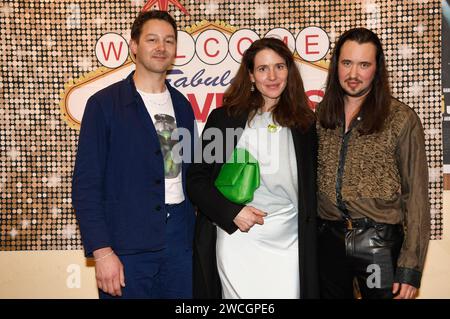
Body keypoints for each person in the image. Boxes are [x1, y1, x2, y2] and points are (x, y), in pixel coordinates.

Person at [72, 10, 196, 299]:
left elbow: (191, 172)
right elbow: (86, 184)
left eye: (168, 40)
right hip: (126, 246)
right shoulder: (104, 104)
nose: (161, 47)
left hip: (180, 242)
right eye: (152, 39)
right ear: (134, 46)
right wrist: (102, 253)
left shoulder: (183, 106)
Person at [187, 38, 319, 299]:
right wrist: (232, 212)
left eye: (279, 67)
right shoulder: (224, 119)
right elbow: (196, 179)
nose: (272, 76)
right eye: (262, 68)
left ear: (289, 72)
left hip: (290, 242)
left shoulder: (305, 124)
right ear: (250, 75)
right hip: (238, 238)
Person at [316, 27, 430, 299]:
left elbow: (416, 197)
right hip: (327, 240)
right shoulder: (321, 116)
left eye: (363, 64)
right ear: (336, 66)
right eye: (347, 63)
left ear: (377, 69)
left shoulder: (401, 119)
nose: (353, 74)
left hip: (378, 244)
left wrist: (409, 268)